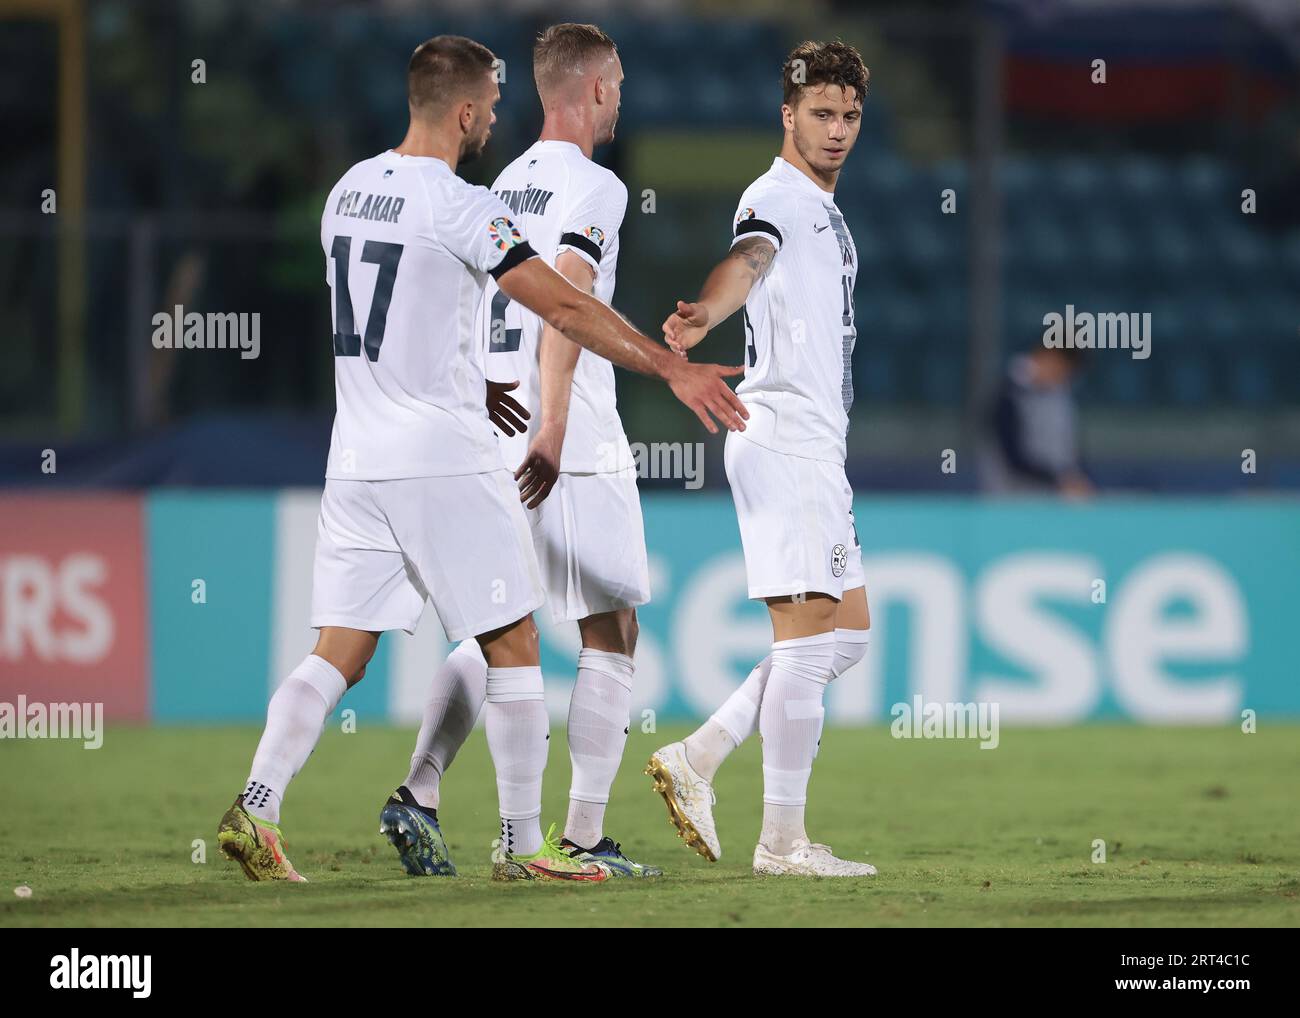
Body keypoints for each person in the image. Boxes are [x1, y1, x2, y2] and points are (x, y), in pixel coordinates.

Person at [216, 34, 747, 884]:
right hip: (442, 454)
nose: (498, 116)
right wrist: (668, 366)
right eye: (492, 105)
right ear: (465, 112)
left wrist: (493, 381)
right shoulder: (466, 205)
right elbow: (567, 308)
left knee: (339, 651)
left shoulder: (347, 192)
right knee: (514, 640)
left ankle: (258, 804)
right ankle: (526, 846)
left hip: (354, 456)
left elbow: (433, 314)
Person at [379, 23, 660, 880]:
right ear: (594, 90)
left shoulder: (498, 181)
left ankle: (420, 790)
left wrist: (487, 401)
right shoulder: (598, 188)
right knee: (611, 628)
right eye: (615, 85)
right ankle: (577, 836)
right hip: (562, 435)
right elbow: (569, 299)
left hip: (493, 426)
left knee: (503, 625)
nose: (620, 98)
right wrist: (557, 418)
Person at [647, 41, 877, 877]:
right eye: (821, 114)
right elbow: (749, 258)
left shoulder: (824, 204)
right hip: (783, 439)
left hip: (815, 444)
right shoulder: (773, 196)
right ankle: (781, 842)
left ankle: (699, 757)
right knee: (808, 644)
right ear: (787, 115)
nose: (838, 129)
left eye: (850, 115)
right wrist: (706, 314)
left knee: (844, 635)